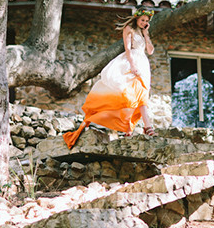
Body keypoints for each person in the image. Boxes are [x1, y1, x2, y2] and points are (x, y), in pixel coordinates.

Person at [63, 8, 157, 149]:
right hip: (131, 62)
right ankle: (145, 127)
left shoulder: (143, 32)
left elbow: (150, 51)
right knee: (130, 95)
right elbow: (127, 49)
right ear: (137, 18)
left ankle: (132, 128)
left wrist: (146, 34)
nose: (144, 22)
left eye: (146, 21)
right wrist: (132, 66)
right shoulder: (129, 28)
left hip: (143, 63)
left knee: (141, 94)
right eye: (142, 20)